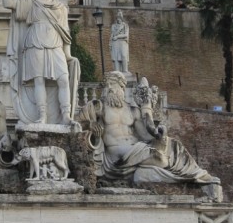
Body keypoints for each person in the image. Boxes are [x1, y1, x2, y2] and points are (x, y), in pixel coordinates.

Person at [83, 72, 220, 187]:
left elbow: (145, 135)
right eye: (107, 86)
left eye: (112, 84)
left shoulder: (132, 110)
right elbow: (79, 120)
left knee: (174, 145)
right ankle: (183, 175)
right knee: (160, 159)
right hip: (117, 153)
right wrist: (91, 124)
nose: (109, 88)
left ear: (122, 87)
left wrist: (159, 136)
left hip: (136, 146)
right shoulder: (99, 107)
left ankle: (200, 174)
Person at [3, 0, 80, 126]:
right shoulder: (31, 3)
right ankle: (42, 115)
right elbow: (8, 3)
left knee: (63, 79)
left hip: (55, 43)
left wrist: (68, 55)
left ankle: (66, 115)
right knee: (39, 80)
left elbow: (65, 33)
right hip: (35, 43)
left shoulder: (61, 8)